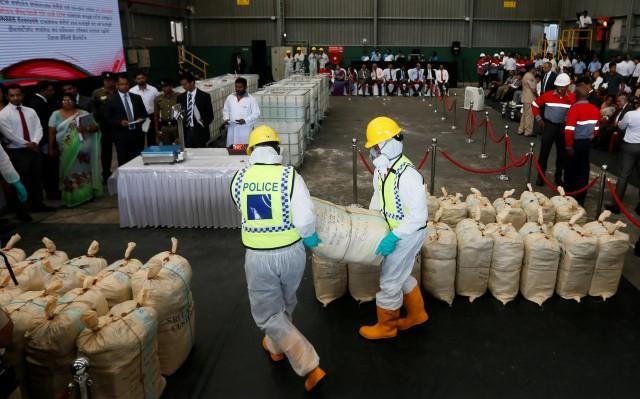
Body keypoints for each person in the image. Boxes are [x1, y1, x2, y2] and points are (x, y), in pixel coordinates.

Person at [230, 125, 325, 392]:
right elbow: (305, 216)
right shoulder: (289, 176)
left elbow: (241, 206)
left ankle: (309, 365)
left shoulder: (240, 177)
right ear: (277, 149)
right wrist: (308, 236)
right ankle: (275, 346)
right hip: (292, 253)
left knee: (268, 314)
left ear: (251, 151)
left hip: (259, 257)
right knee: (286, 301)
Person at [359, 116, 428, 340]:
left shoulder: (408, 176)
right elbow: (379, 197)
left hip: (407, 234)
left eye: (377, 146)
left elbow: (418, 218)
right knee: (402, 273)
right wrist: (370, 220)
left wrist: (394, 237)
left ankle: (386, 328)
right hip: (393, 230)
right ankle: (418, 314)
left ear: (390, 144)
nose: (374, 152)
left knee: (389, 280)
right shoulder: (382, 170)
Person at [0, 84, 53, 220]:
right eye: (12, 95)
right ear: (7, 96)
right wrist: (26, 144)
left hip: (34, 148)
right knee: (21, 180)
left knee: (37, 178)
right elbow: (9, 134)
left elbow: (39, 127)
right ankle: (23, 210)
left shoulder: (30, 111)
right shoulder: (3, 114)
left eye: (18, 94)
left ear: (22, 95)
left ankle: (38, 204)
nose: (16, 98)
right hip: (17, 151)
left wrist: (35, 141)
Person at [48, 94, 102, 207]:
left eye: (69, 100)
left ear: (74, 101)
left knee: (84, 171)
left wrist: (85, 128)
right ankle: (71, 198)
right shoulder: (55, 114)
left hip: (83, 150)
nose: (66, 102)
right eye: (64, 100)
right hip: (65, 149)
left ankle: (86, 195)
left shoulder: (83, 113)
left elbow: (95, 128)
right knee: (67, 172)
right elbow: (51, 133)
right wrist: (50, 148)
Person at [532, 73, 576, 186]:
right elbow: (534, 104)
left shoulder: (571, 97)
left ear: (568, 86)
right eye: (559, 87)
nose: (560, 89)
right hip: (549, 126)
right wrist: (538, 119)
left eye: (563, 87)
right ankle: (540, 176)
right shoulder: (548, 95)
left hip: (563, 128)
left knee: (562, 154)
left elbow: (575, 112)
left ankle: (558, 176)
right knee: (544, 153)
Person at [563, 86, 599, 205]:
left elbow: (569, 130)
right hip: (586, 143)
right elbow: (597, 128)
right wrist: (591, 136)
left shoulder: (575, 109)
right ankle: (581, 199)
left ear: (576, 96)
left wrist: (569, 146)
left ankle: (569, 197)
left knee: (570, 170)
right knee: (583, 171)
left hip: (575, 143)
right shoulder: (595, 109)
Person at [104, 75, 147, 165]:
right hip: (121, 136)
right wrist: (119, 122)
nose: (124, 86)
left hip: (137, 134)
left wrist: (141, 118)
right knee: (123, 161)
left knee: (138, 160)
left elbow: (144, 113)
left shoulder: (136, 97)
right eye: (122, 84)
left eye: (126, 84)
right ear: (117, 85)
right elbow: (107, 118)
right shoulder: (111, 99)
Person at [607, 100, 640, 214]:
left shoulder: (630, 114)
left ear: (637, 104)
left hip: (630, 147)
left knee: (624, 176)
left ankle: (616, 206)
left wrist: (620, 122)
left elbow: (621, 126)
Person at [28, 81, 58, 201]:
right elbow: (43, 125)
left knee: (49, 167)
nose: (53, 92)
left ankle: (53, 191)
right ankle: (52, 193)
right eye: (50, 89)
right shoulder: (38, 103)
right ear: (43, 90)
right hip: (45, 140)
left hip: (45, 140)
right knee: (49, 167)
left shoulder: (40, 101)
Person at [92, 72, 116, 183]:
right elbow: (94, 109)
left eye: (110, 80)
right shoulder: (97, 93)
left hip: (118, 124)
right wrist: (96, 122)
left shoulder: (118, 91)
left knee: (121, 149)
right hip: (105, 126)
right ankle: (106, 173)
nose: (108, 82)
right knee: (106, 151)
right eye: (106, 80)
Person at [178, 73, 214, 148]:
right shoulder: (181, 98)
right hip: (186, 132)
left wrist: (202, 121)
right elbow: (179, 115)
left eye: (185, 84)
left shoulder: (204, 96)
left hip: (200, 132)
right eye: (182, 85)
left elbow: (210, 116)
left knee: (200, 155)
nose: (183, 87)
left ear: (192, 82)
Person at [223, 77, 260, 147]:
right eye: (236, 87)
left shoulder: (251, 99)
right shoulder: (230, 98)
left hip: (244, 130)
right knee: (233, 149)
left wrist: (245, 120)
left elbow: (256, 113)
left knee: (244, 150)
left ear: (245, 87)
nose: (238, 89)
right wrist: (226, 119)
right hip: (232, 129)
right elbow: (226, 110)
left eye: (240, 87)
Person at [129, 71, 159, 147]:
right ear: (135, 80)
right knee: (140, 139)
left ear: (145, 78)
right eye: (138, 79)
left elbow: (159, 103)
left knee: (151, 138)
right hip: (139, 118)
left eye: (142, 78)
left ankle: (152, 155)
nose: (141, 80)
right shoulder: (131, 91)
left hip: (150, 117)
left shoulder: (153, 90)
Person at [153, 80, 178, 145]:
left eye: (166, 86)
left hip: (176, 126)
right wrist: (157, 130)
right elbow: (156, 116)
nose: (164, 89)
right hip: (164, 127)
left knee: (179, 146)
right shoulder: (158, 99)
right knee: (166, 147)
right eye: (162, 87)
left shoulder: (178, 96)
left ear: (171, 86)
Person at [518, 64, 537, 136]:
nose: (535, 69)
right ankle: (528, 131)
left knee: (524, 115)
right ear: (531, 69)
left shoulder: (525, 75)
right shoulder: (530, 76)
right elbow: (533, 89)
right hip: (530, 98)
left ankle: (521, 129)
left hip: (525, 97)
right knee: (529, 115)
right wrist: (537, 96)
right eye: (534, 68)